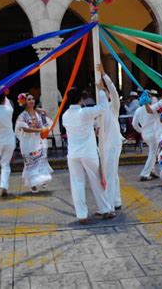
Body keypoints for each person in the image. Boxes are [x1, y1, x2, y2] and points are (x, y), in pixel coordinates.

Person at [62, 86, 113, 224]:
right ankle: (105, 209)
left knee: (77, 183)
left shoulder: (65, 115)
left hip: (73, 154)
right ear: (81, 99)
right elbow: (103, 107)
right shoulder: (84, 112)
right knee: (96, 180)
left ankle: (82, 215)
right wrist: (102, 92)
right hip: (88, 152)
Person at [97, 64, 123, 213]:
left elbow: (113, 90)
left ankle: (109, 206)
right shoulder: (99, 110)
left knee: (109, 173)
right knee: (112, 173)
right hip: (105, 145)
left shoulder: (113, 107)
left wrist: (104, 74)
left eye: (104, 92)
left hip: (113, 143)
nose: (102, 93)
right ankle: (116, 200)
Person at [15, 93, 53, 193]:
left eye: (33, 99)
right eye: (29, 99)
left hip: (39, 141)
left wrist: (44, 112)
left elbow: (47, 124)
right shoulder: (22, 116)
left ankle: (40, 180)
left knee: (41, 160)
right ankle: (32, 184)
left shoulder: (39, 114)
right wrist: (40, 130)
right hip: (28, 143)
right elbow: (25, 129)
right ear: (24, 102)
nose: (32, 101)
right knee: (30, 163)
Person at [132, 96, 159, 182]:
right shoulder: (153, 109)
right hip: (153, 134)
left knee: (152, 153)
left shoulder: (138, 110)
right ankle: (145, 174)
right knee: (153, 153)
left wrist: (140, 131)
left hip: (145, 134)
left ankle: (152, 171)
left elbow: (134, 124)